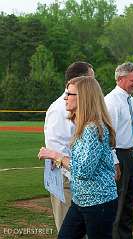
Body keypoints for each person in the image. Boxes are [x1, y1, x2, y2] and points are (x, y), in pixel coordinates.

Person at [38, 76, 118, 239]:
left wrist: (54, 155)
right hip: (81, 200)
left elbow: (83, 171)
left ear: (84, 98)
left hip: (98, 202)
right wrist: (59, 160)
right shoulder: (83, 126)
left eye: (69, 94)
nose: (65, 97)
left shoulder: (92, 128)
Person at [43, 61, 96, 232]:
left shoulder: (86, 108)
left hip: (81, 177)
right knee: (69, 230)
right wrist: (74, 175)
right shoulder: (59, 108)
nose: (95, 83)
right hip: (66, 179)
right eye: (91, 78)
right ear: (81, 80)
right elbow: (55, 147)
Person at [105, 62, 133, 239]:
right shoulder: (111, 101)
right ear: (120, 79)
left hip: (128, 153)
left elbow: (132, 132)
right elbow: (108, 134)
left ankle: (126, 236)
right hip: (117, 154)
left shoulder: (131, 101)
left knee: (129, 201)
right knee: (118, 201)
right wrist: (114, 161)